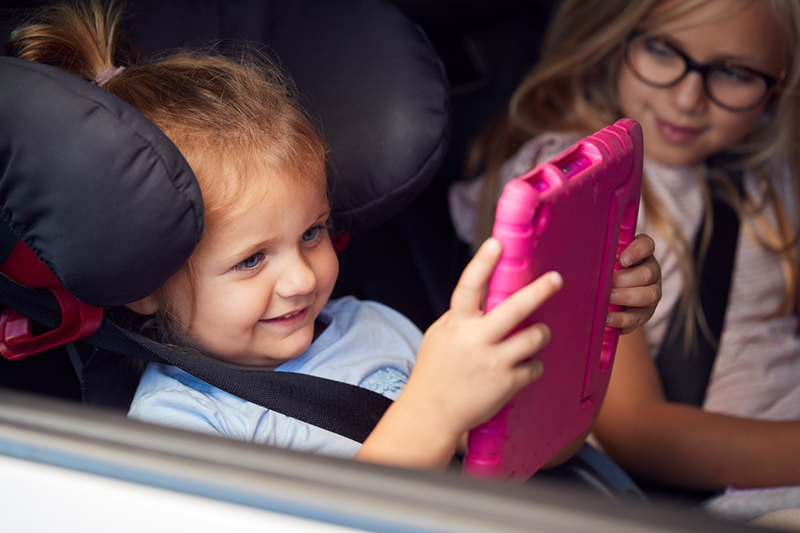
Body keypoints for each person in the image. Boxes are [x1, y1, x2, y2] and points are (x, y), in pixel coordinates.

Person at [10, 0, 661, 472]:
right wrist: (429, 409)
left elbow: (540, 457)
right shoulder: (181, 425)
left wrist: (584, 322)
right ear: (148, 282)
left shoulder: (375, 327)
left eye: (313, 232)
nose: (300, 277)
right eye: (251, 259)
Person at [450, 0, 800, 520]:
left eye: (734, 72)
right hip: (738, 499)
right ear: (615, 36)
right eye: (662, 49)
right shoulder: (576, 182)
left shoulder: (767, 172)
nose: (687, 98)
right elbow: (633, 430)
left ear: (778, 81)